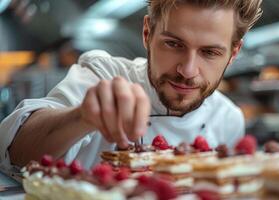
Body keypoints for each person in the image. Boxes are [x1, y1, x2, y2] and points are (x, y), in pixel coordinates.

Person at [0, 0, 262, 170]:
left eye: (210, 53)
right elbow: (15, 149)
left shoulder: (229, 120)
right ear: (148, 33)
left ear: (233, 53)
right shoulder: (103, 74)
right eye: (173, 44)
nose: (187, 70)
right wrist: (81, 116)